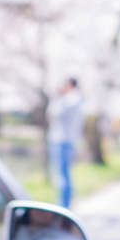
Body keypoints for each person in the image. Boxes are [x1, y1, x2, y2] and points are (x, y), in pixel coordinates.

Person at [47, 77, 84, 208]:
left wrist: (58, 97)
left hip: (62, 141)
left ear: (69, 85)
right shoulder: (75, 99)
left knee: (62, 175)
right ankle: (64, 204)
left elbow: (53, 113)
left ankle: (64, 206)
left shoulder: (71, 99)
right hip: (65, 141)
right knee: (63, 174)